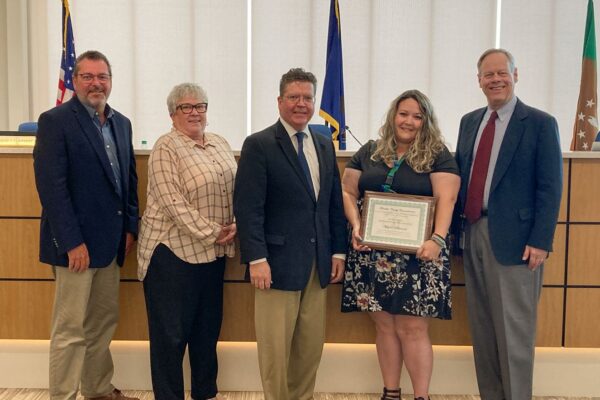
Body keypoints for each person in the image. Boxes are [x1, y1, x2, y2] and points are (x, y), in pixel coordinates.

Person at [454, 48, 562, 400]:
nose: (496, 79)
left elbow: (550, 186)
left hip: (517, 242)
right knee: (483, 331)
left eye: (502, 73)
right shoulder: (470, 122)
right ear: (479, 81)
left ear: (516, 75)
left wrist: (541, 239)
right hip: (473, 235)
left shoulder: (540, 123)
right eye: (488, 75)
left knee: (514, 333)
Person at [233, 68, 347, 400]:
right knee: (275, 351)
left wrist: (338, 252)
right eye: (294, 97)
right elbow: (248, 208)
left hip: (318, 265)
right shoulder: (259, 145)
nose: (301, 104)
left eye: (307, 98)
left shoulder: (324, 145)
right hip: (275, 265)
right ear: (280, 101)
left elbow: (331, 205)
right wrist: (256, 258)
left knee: (309, 348)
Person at [33, 50, 139, 400]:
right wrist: (70, 241)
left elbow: (129, 181)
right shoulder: (56, 121)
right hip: (75, 248)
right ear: (74, 80)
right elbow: (52, 188)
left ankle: (97, 389)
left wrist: (130, 229)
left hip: (110, 246)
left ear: (111, 80)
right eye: (88, 76)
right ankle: (62, 394)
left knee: (102, 325)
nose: (96, 83)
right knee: (70, 329)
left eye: (102, 76)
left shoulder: (121, 123)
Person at [341, 90, 460, 400]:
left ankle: (421, 396)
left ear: (426, 121)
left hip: (420, 255)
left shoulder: (438, 154)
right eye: (403, 114)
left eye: (417, 116)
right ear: (393, 115)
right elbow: (348, 191)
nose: (409, 121)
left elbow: (447, 200)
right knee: (385, 327)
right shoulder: (370, 151)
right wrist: (356, 225)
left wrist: (437, 239)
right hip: (372, 253)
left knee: (413, 329)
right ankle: (390, 393)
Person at [137, 83, 237, 400]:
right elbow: (173, 204)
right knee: (170, 337)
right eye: (186, 107)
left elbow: (236, 188)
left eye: (200, 106)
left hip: (212, 255)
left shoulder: (219, 143)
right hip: (171, 255)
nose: (195, 112)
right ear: (172, 114)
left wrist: (235, 224)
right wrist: (215, 231)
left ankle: (204, 393)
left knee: (206, 333)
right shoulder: (165, 147)